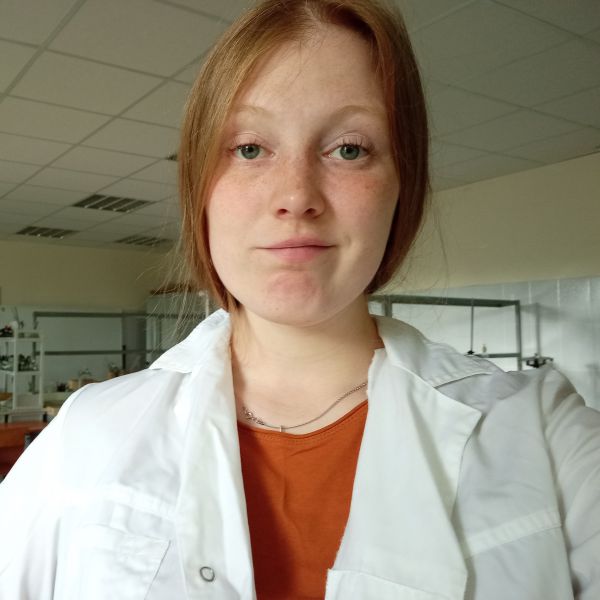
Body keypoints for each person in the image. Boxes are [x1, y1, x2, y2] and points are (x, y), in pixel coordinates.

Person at [1, 0, 599, 598]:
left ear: (402, 185)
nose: (295, 196)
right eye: (249, 148)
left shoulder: (546, 437)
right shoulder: (86, 436)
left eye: (349, 149)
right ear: (200, 188)